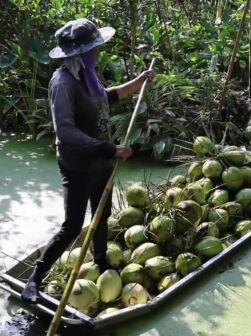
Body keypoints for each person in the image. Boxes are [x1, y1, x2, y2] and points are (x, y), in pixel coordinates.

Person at [21, 19, 155, 303]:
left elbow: (107, 97)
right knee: (72, 226)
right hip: (79, 166)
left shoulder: (88, 74)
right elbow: (66, 132)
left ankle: (101, 260)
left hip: (102, 164)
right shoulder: (63, 83)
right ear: (78, 53)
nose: (100, 50)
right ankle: (35, 276)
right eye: (95, 47)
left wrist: (139, 81)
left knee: (101, 216)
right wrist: (109, 149)